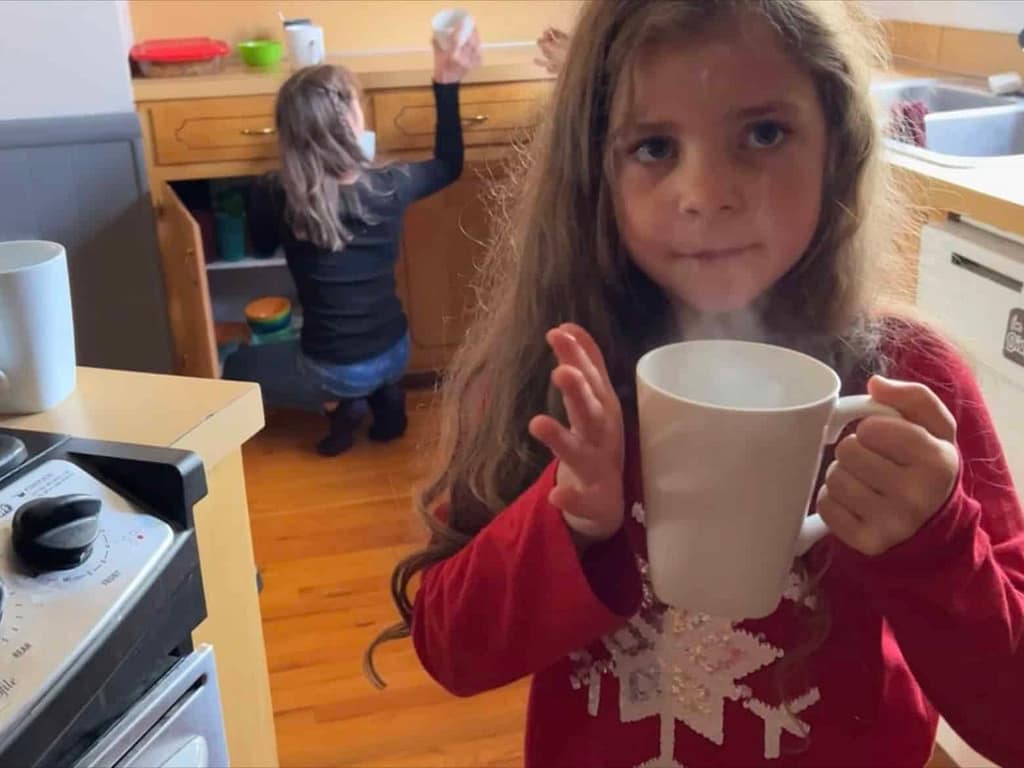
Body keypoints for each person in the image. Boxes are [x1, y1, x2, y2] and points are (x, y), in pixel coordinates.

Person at [367, 1, 1023, 766]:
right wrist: (566, 523)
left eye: (764, 133)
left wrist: (935, 544)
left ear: (837, 149)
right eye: (653, 146)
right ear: (593, 174)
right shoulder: (561, 382)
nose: (705, 193)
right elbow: (451, 650)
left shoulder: (905, 381)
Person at [246, 27, 481, 456]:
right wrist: (446, 83)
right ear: (353, 125)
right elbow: (449, 164)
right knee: (372, 367)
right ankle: (385, 402)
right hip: (397, 349)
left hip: (331, 368)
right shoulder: (390, 185)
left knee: (241, 365)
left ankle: (341, 406)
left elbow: (260, 247)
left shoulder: (275, 194)